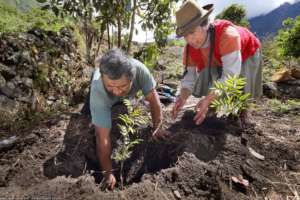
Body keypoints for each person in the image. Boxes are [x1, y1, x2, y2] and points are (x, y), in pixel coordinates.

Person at [171, 0, 262, 124]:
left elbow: (230, 77)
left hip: (246, 52)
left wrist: (207, 99)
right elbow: (189, 78)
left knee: (241, 86)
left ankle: (242, 117)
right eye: (185, 35)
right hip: (217, 57)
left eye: (191, 32)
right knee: (214, 79)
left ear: (205, 25)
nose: (189, 39)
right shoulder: (190, 48)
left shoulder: (228, 36)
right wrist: (181, 98)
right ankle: (211, 108)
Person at [89, 48, 166, 189]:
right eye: (110, 86)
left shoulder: (140, 71)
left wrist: (157, 126)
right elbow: (103, 138)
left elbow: (154, 101)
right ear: (103, 79)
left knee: (122, 105)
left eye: (123, 86)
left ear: (132, 78)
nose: (117, 91)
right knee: (91, 117)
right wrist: (107, 172)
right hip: (100, 97)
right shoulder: (98, 89)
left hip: (126, 96)